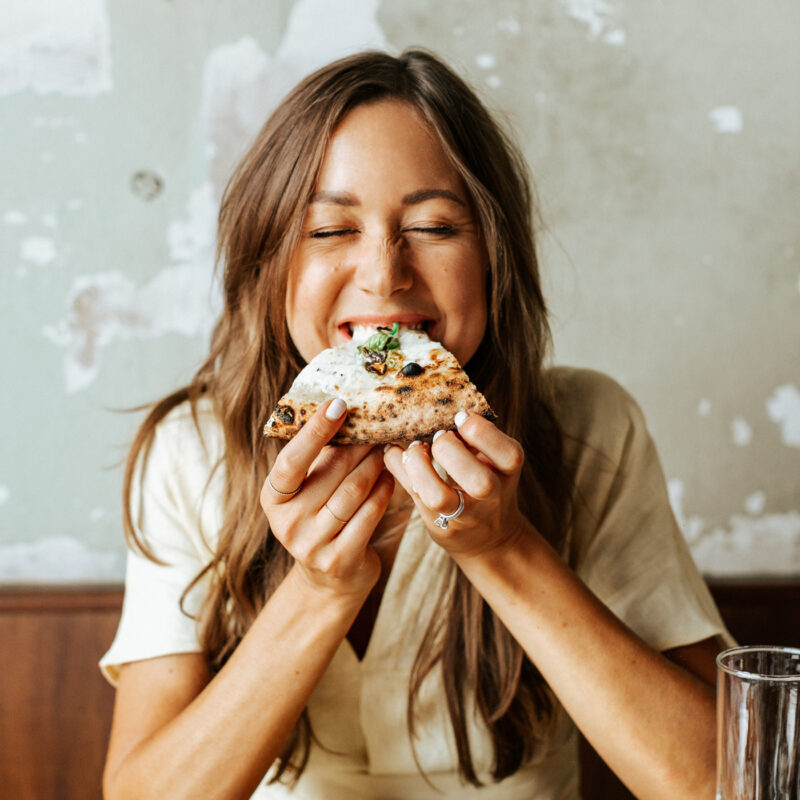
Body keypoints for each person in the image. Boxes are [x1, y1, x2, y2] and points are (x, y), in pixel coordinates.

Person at [100, 49, 732, 800]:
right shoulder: (189, 453)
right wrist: (319, 591)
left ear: (494, 256)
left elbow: (726, 781)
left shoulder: (590, 428)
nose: (383, 274)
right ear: (268, 263)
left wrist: (504, 550)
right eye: (330, 231)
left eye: (433, 225)